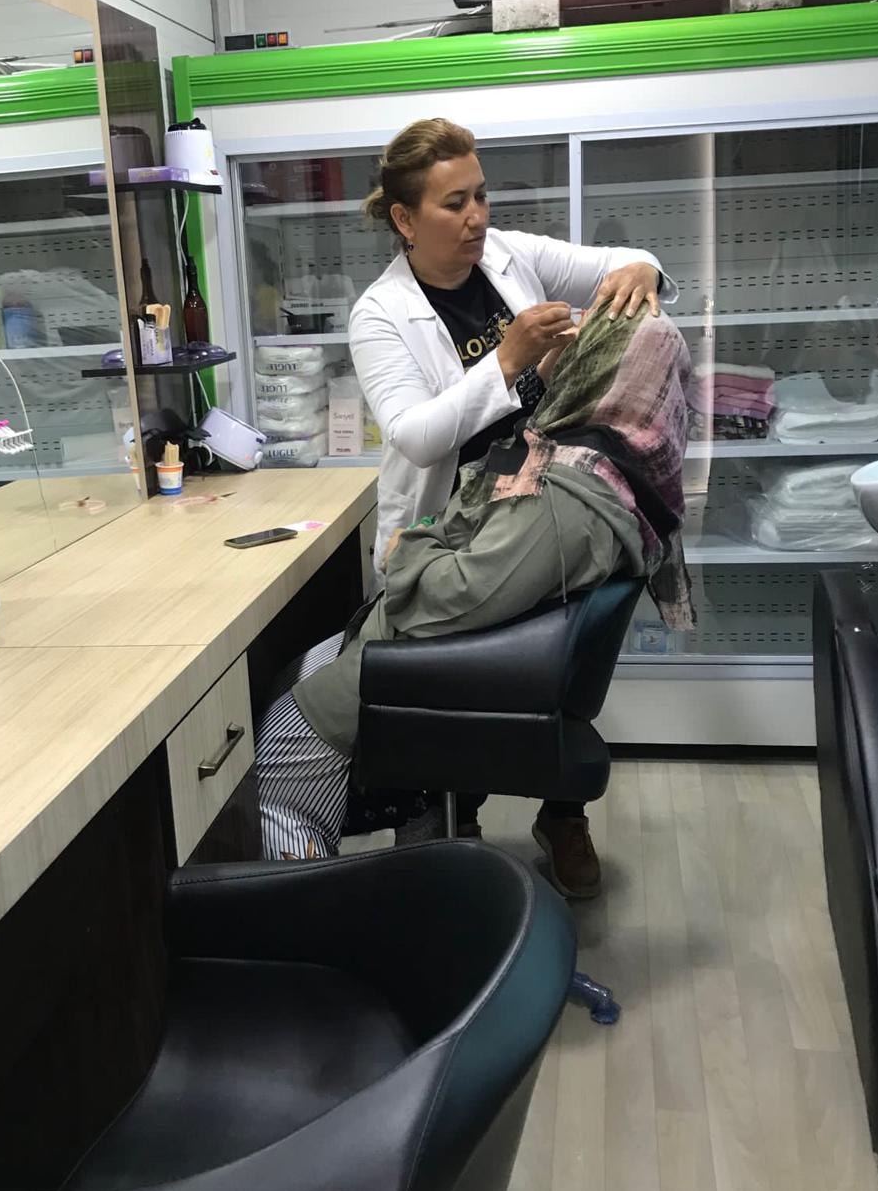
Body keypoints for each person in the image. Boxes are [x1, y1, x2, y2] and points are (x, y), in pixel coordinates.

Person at [257, 295, 693, 898]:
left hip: (418, 661)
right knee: (289, 673)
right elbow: (468, 543)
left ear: (604, 366)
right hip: (431, 649)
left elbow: (452, 598)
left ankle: (306, 922)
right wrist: (433, 543)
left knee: (266, 772)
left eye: (581, 345)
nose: (563, 353)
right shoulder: (595, 464)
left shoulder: (564, 494)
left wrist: (410, 551)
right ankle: (427, 859)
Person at [346, 116, 678, 884]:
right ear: (405, 220)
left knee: (566, 668)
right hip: (453, 524)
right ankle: (444, 825)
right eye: (453, 203)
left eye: (481, 196)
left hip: (547, 498)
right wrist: (507, 361)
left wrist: (642, 271)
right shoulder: (380, 313)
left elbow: (627, 262)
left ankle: (562, 813)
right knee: (449, 693)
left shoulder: (508, 254)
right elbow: (416, 436)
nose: (476, 218)